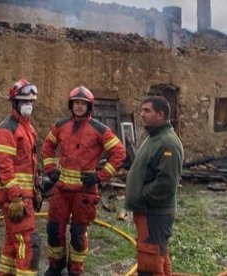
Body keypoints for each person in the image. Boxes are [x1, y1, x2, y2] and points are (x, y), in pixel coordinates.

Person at [42, 86, 126, 276]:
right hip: (61, 190)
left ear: (89, 107)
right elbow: (47, 145)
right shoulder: (60, 125)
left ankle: (75, 270)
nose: (79, 107)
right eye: (76, 103)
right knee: (54, 230)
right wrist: (50, 169)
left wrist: (100, 176)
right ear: (71, 105)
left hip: (85, 193)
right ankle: (56, 266)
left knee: (78, 235)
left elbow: (119, 152)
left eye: (83, 104)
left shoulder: (100, 129)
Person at [125, 96, 183, 276]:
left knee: (150, 261)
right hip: (148, 212)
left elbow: (166, 183)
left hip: (155, 213)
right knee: (159, 254)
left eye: (147, 111)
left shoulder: (168, 143)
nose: (142, 114)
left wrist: (142, 195)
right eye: (142, 110)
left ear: (161, 114)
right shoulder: (154, 137)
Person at [0, 79, 41, 276]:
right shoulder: (8, 130)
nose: (28, 105)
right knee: (29, 243)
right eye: (23, 101)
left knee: (13, 243)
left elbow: (28, 165)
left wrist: (35, 190)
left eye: (30, 101)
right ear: (14, 103)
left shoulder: (27, 128)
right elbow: (4, 166)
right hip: (16, 198)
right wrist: (16, 197)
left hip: (23, 195)